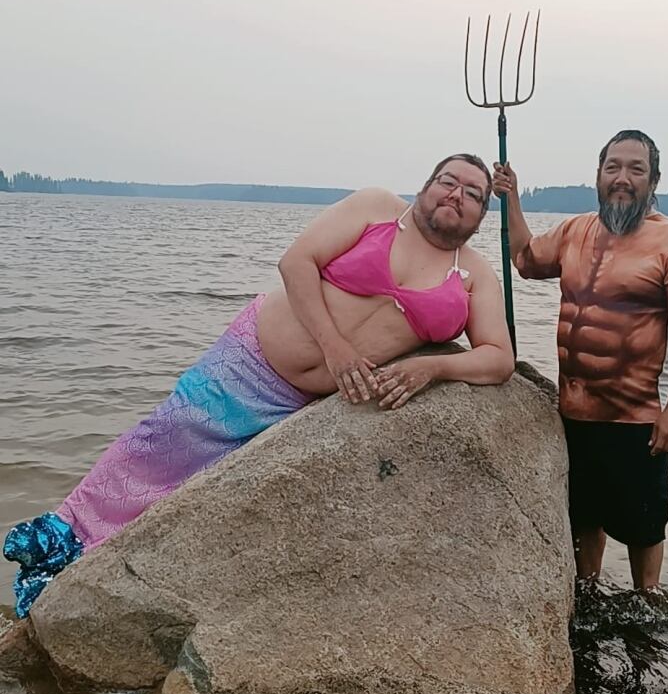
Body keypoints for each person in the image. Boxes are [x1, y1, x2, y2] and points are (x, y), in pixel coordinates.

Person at [5, 153, 515, 617]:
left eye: (473, 193)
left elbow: (499, 359)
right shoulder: (378, 207)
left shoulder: (473, 275)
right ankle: (57, 548)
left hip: (303, 408)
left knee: (202, 501)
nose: (457, 195)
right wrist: (334, 347)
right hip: (248, 361)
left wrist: (433, 368)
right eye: (448, 182)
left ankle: (120, 591)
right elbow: (297, 262)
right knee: (152, 450)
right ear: (426, 186)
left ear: (481, 215)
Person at [492, 130, 668, 590]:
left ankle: (647, 602)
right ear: (598, 175)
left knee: (644, 525)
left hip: (636, 417)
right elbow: (525, 259)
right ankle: (588, 591)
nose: (622, 178)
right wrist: (512, 198)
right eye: (613, 167)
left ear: (653, 180)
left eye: (635, 169)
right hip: (575, 412)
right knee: (585, 515)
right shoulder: (576, 231)